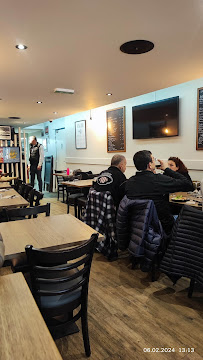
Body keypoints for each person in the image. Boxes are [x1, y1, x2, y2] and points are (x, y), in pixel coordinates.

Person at [125, 150, 194, 236]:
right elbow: (189, 184)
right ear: (150, 165)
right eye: (153, 160)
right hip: (162, 226)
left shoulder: (129, 182)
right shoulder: (158, 180)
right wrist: (167, 169)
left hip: (138, 226)